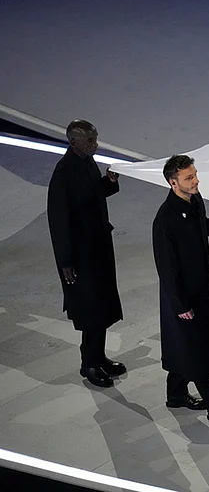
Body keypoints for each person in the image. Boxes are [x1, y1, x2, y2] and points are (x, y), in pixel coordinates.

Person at [152, 154, 209, 427]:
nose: (196, 181)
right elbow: (166, 268)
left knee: (188, 345)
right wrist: (179, 304)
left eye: (195, 174)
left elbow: (199, 229)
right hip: (183, 296)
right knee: (196, 350)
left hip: (203, 289)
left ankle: (176, 393)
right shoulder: (165, 220)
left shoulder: (194, 201)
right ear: (172, 182)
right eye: (189, 177)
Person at [47, 120, 126, 388]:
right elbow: (58, 222)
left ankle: (98, 357)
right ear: (74, 142)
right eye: (90, 140)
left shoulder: (86, 161)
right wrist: (65, 262)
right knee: (91, 309)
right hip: (80, 257)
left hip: (98, 249)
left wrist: (109, 182)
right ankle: (89, 364)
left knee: (101, 306)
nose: (96, 144)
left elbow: (92, 196)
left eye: (95, 139)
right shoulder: (64, 173)